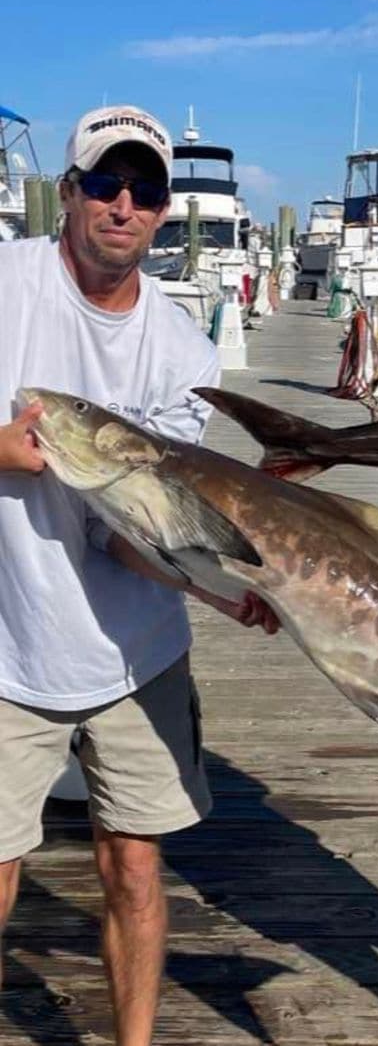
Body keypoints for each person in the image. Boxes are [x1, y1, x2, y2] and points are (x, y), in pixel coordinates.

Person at [0, 104, 276, 1046]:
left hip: (135, 650)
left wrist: (223, 585)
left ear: (164, 211)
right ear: (68, 191)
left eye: (146, 189)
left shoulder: (181, 351)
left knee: (135, 862)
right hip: (5, 641)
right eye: (107, 183)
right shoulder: (5, 284)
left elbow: (134, 535)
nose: (125, 203)